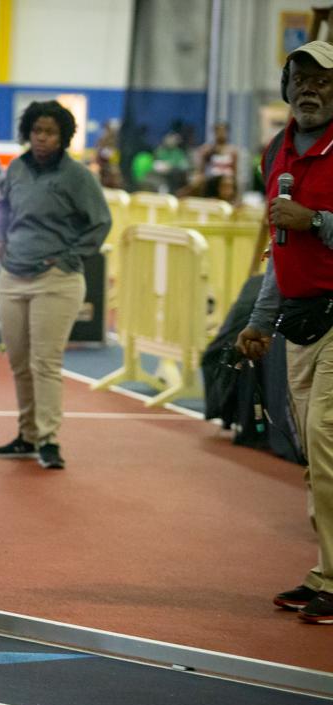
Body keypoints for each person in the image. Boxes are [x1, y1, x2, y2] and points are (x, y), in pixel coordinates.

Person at [236, 40, 333, 625]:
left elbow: (302, 228)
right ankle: (325, 574)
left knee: (325, 441)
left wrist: (319, 221)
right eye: (300, 78)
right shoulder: (276, 152)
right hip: (298, 320)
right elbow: (280, 247)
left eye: (323, 80)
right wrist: (257, 321)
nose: (310, 89)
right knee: (313, 453)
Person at [0, 100, 111, 470]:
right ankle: (26, 435)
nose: (42, 139)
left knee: (45, 362)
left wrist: (70, 258)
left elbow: (100, 222)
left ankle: (49, 439)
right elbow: (6, 210)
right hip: (13, 275)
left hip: (55, 280)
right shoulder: (17, 169)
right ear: (27, 132)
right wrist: (0, 240)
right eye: (37, 131)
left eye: (50, 133)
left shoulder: (77, 175)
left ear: (64, 137)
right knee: (19, 362)